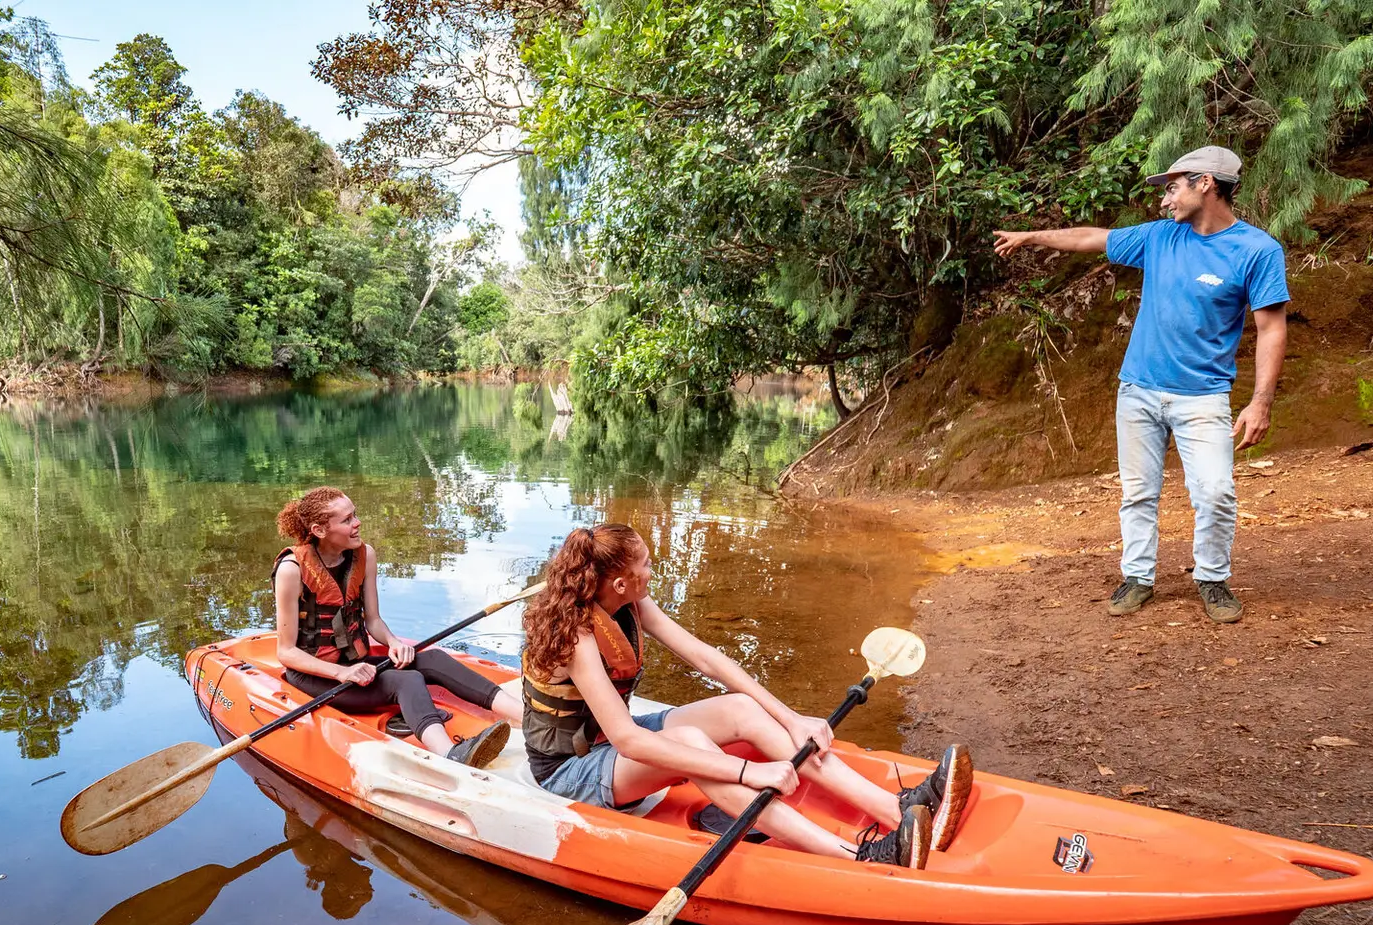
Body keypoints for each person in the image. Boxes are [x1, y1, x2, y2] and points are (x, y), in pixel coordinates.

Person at [518, 523, 974, 866]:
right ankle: (861, 855)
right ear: (620, 583)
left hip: (610, 748)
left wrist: (791, 717)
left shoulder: (629, 604)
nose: (652, 571)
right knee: (693, 744)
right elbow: (628, 741)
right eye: (647, 566)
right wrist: (747, 772)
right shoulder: (577, 635)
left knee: (741, 708)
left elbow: (707, 659)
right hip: (571, 772)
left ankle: (896, 808)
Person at [992, 145, 1289, 624]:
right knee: (1138, 492)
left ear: (1205, 183)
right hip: (1139, 391)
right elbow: (1092, 238)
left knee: (1214, 491)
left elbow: (1272, 328)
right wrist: (1031, 237)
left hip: (1204, 396)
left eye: (1172, 187)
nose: (1164, 200)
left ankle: (1212, 578)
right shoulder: (1158, 238)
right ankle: (1137, 577)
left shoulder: (1257, 250)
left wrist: (1260, 402)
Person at [273, 486, 515, 769]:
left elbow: (372, 620)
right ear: (319, 529)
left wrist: (393, 642)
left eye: (355, 515)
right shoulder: (291, 569)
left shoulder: (365, 555)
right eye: (347, 519)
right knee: (407, 680)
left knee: (433, 659)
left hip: (358, 664)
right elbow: (286, 652)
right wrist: (342, 672)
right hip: (316, 675)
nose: (357, 523)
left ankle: (528, 715)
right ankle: (451, 754)